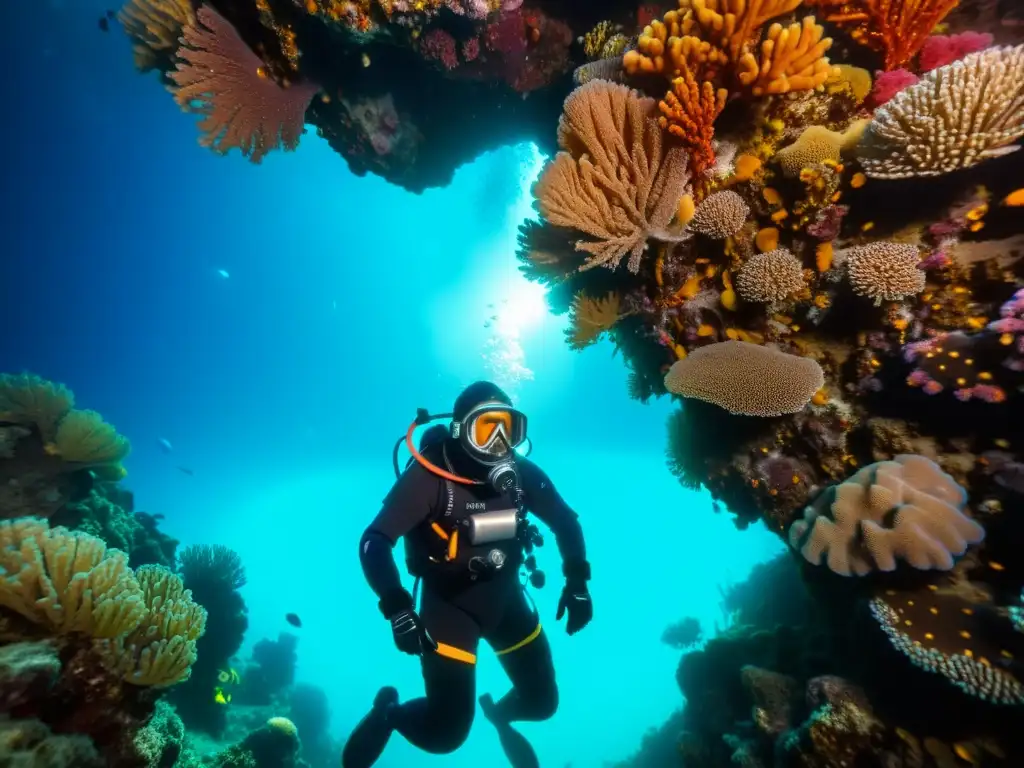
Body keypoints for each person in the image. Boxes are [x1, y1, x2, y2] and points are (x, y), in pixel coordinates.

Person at [342, 381, 593, 768]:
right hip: (449, 608)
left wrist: (577, 582)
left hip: (505, 598)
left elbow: (565, 520)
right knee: (446, 735)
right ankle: (388, 712)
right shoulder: (430, 477)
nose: (496, 441)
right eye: (484, 427)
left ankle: (498, 716)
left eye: (506, 429)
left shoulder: (521, 472)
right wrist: (397, 607)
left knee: (543, 703)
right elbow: (374, 541)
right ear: (460, 429)